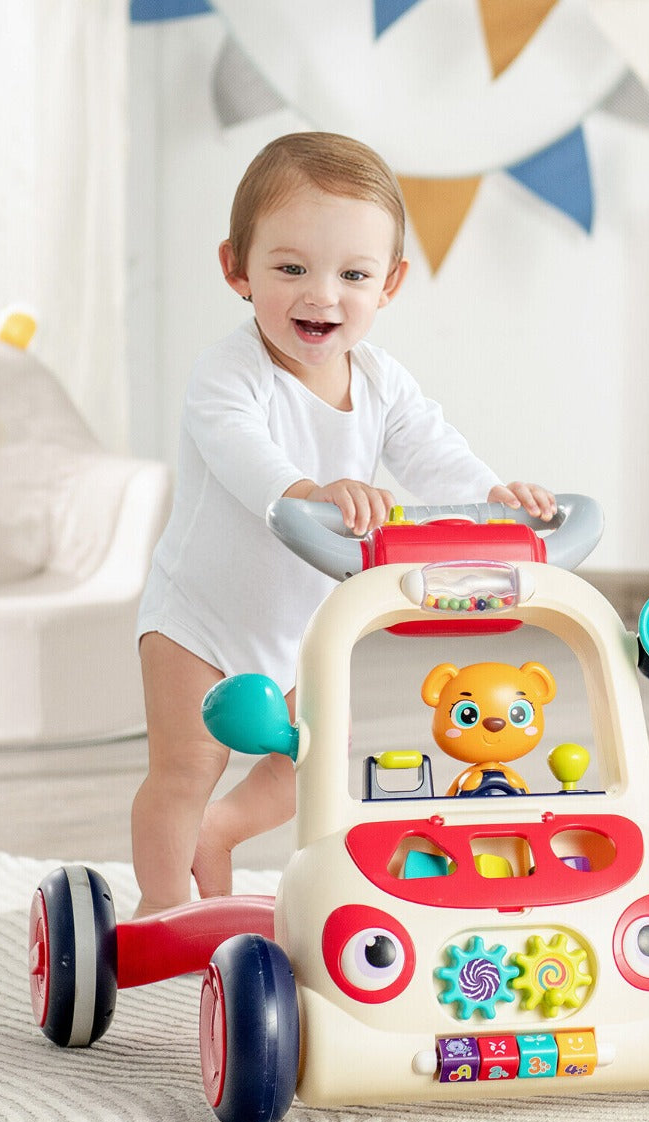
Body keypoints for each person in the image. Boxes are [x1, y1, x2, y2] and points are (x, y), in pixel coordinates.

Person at [131, 131, 557, 917]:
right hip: (199, 617)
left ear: (389, 284)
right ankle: (161, 913)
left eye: (352, 275)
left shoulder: (383, 382)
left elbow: (434, 452)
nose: (321, 296)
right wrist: (308, 491)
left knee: (315, 762)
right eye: (291, 269)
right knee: (187, 765)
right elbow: (241, 451)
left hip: (301, 623)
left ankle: (218, 832)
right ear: (237, 268)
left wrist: (496, 497)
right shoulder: (228, 373)